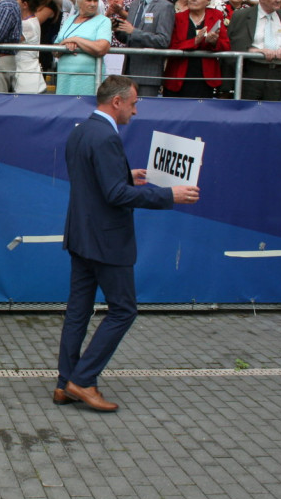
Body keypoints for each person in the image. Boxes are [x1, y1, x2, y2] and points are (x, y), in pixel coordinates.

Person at [55, 74, 199, 412]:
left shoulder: (81, 131)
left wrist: (124, 174)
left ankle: (65, 383)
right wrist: (169, 194)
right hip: (106, 242)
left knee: (78, 311)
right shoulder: (107, 137)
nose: (135, 112)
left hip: (81, 235)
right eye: (133, 104)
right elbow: (115, 195)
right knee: (124, 309)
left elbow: (95, 181)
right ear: (116, 102)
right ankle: (83, 380)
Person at [227, 0, 281, 101]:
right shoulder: (242, 16)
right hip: (252, 71)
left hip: (277, 73)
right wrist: (257, 51)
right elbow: (234, 45)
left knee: (270, 112)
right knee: (247, 110)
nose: (279, 0)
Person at [115, 0, 176, 97]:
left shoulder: (165, 7)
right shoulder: (135, 4)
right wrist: (119, 30)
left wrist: (133, 31)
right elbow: (128, 37)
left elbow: (163, 40)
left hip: (148, 73)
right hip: (128, 71)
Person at [162, 0, 231, 98]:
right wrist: (195, 41)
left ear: (208, 0)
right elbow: (171, 46)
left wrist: (214, 42)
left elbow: (226, 46)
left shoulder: (216, 16)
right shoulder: (177, 18)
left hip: (205, 78)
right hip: (178, 77)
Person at [54, 0, 112, 95]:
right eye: (89, 0)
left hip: (88, 81)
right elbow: (55, 50)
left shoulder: (103, 21)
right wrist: (65, 45)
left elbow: (101, 48)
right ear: (79, 2)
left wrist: (76, 40)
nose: (93, 4)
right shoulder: (70, 20)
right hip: (64, 79)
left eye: (95, 0)